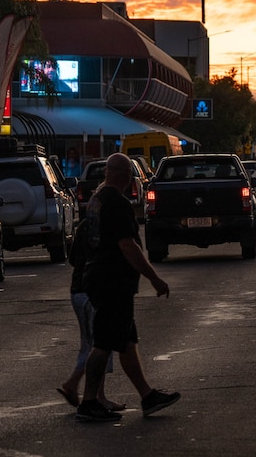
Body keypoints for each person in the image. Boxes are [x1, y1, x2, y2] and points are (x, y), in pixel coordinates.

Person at [75, 153, 179, 422]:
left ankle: (147, 396)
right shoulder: (117, 203)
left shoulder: (96, 201)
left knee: (126, 341)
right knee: (104, 343)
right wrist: (154, 278)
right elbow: (127, 245)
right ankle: (89, 403)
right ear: (124, 176)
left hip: (99, 276)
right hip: (112, 281)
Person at [56, 236, 125, 412]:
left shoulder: (86, 225)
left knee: (90, 344)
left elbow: (72, 259)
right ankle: (97, 396)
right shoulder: (106, 225)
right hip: (94, 290)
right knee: (101, 344)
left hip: (77, 290)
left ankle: (77, 385)